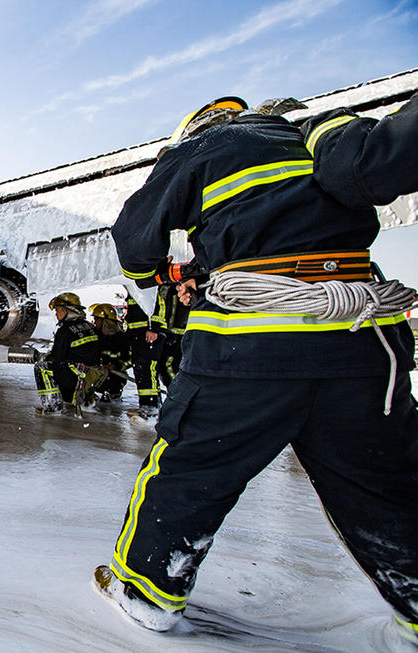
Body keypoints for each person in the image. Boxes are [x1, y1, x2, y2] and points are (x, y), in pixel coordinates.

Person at [94, 92, 418, 642]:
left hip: (251, 346)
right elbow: (363, 173)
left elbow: (135, 241)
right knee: (389, 482)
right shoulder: (318, 133)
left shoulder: (205, 145)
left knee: (191, 467)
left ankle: (145, 590)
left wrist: (163, 278)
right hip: (363, 346)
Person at [33, 292, 105, 417]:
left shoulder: (65, 330)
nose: (56, 313)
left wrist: (44, 357)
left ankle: (52, 406)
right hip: (95, 374)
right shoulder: (89, 326)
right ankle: (86, 399)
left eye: (59, 310)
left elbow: (57, 357)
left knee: (42, 367)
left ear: (69, 311)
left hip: (77, 375)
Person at [124, 294, 162, 415]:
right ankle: (148, 404)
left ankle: (150, 407)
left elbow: (160, 304)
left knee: (147, 370)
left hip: (147, 334)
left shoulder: (148, 287)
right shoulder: (135, 289)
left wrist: (154, 328)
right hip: (138, 334)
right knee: (141, 370)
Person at [89, 303, 132, 404]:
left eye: (97, 319)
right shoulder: (96, 337)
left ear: (105, 321)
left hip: (115, 379)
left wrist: (116, 366)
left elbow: (131, 359)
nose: (95, 322)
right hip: (98, 377)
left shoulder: (122, 339)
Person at [150, 282, 191, 389]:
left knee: (168, 366)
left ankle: (179, 393)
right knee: (172, 366)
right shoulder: (176, 288)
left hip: (175, 333)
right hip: (178, 333)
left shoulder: (173, 289)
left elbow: (168, 309)